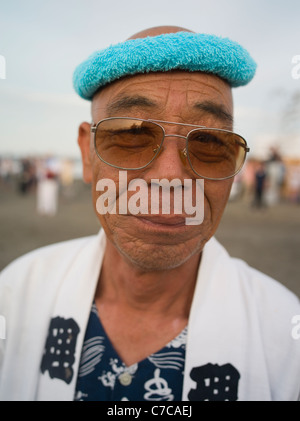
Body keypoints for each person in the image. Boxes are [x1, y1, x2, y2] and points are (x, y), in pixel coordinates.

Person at [0, 26, 299, 402]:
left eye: (209, 142)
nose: (170, 176)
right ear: (87, 154)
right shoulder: (15, 297)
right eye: (132, 134)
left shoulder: (286, 343)